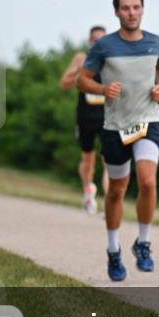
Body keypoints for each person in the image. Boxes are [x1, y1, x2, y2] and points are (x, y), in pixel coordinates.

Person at [78, 0, 159, 282]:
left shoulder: (155, 42)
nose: (132, 12)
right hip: (115, 126)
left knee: (147, 180)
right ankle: (114, 250)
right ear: (116, 12)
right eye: (126, 8)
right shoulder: (104, 46)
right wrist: (102, 89)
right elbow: (82, 80)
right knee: (117, 189)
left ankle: (143, 243)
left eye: (136, 7)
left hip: (148, 121)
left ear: (143, 9)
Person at [60, 25, 110, 213]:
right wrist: (80, 72)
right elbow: (64, 84)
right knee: (88, 159)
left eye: (102, 40)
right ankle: (88, 192)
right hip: (85, 116)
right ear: (90, 41)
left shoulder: (111, 60)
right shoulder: (82, 58)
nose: (98, 43)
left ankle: (108, 203)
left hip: (107, 116)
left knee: (108, 160)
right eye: (95, 40)